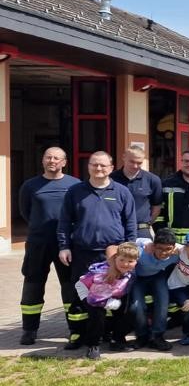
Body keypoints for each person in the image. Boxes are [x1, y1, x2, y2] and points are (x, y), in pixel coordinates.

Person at [57, 150, 137, 350]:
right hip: (83, 253)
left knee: (118, 297)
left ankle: (116, 338)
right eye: (94, 164)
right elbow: (65, 221)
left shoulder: (122, 192)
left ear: (111, 168)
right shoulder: (75, 192)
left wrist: (128, 251)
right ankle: (79, 335)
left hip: (113, 255)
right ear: (89, 166)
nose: (98, 168)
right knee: (82, 296)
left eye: (103, 165)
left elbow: (131, 223)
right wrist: (64, 246)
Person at [18, 146, 79, 345]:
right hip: (38, 244)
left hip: (66, 245)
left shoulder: (75, 185)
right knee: (33, 285)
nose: (52, 161)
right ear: (43, 161)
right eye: (48, 157)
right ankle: (29, 330)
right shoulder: (30, 185)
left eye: (56, 158)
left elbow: (79, 213)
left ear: (64, 162)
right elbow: (25, 212)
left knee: (70, 286)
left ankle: (75, 328)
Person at [76, 242, 139, 360]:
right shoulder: (104, 273)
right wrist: (109, 303)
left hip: (110, 294)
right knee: (97, 314)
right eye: (122, 260)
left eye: (130, 262)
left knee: (127, 312)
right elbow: (95, 298)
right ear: (115, 259)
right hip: (90, 293)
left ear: (136, 261)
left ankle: (117, 340)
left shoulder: (130, 272)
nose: (125, 264)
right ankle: (93, 345)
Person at [128, 228, 179, 351]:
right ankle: (142, 336)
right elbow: (130, 242)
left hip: (157, 276)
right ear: (154, 246)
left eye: (168, 249)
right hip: (138, 278)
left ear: (173, 248)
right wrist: (146, 243)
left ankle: (157, 336)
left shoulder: (177, 254)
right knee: (136, 307)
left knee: (163, 302)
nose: (163, 253)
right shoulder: (143, 250)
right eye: (159, 248)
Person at [111, 146, 163, 240]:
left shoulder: (152, 180)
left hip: (141, 232)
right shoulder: (111, 179)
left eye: (139, 163)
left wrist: (147, 223)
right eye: (132, 161)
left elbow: (157, 206)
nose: (135, 166)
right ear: (124, 157)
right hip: (115, 230)